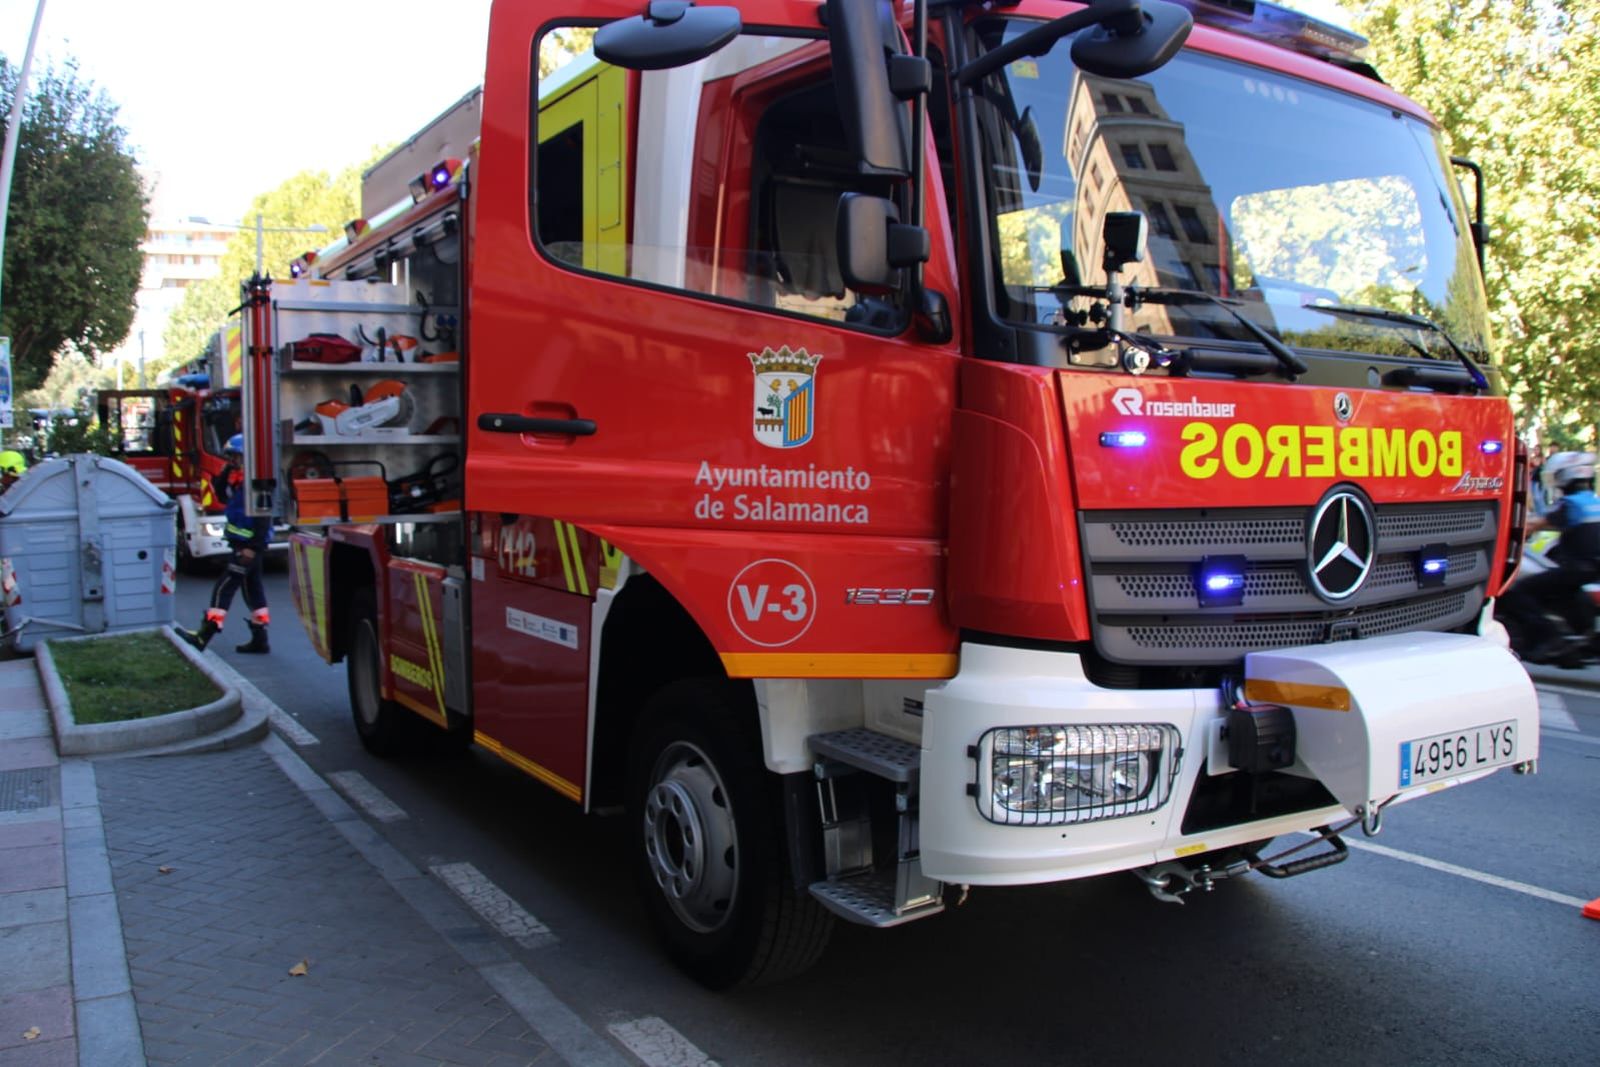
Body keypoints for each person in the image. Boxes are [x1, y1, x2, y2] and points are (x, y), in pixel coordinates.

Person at [1502, 450, 1600, 665]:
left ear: (1564, 477)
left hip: (1577, 568)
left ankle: (1548, 639)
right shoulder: (1593, 501)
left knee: (1520, 591)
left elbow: (1533, 525)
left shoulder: (1569, 504)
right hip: (1590, 569)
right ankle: (1582, 634)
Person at [180, 434, 270, 654]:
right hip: (240, 543)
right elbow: (221, 495)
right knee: (253, 590)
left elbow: (263, 517)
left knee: (224, 587)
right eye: (230, 457)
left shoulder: (257, 483)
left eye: (235, 457)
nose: (231, 461)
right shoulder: (238, 479)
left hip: (248, 547)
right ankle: (260, 640)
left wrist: (254, 547)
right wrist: (225, 473)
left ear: (247, 457)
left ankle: (204, 635)